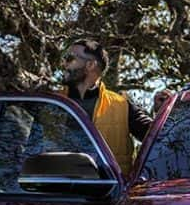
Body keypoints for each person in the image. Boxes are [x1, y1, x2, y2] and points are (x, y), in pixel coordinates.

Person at [59, 39, 155, 177]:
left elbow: (159, 136)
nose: (64, 64)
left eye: (69, 59)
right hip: (56, 192)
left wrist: (164, 110)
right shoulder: (51, 102)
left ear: (90, 64)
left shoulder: (121, 105)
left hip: (109, 194)